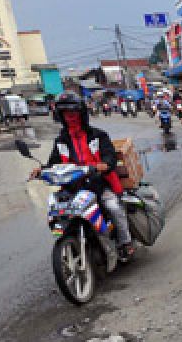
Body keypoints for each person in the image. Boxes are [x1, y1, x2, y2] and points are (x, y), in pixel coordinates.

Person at [32, 91, 134, 261]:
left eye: (73, 113)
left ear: (81, 114)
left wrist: (105, 165)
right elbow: (54, 162)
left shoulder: (98, 135)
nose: (70, 117)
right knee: (59, 211)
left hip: (100, 184)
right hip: (73, 187)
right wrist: (41, 170)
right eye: (65, 114)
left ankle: (126, 243)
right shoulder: (61, 140)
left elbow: (109, 156)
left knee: (113, 207)